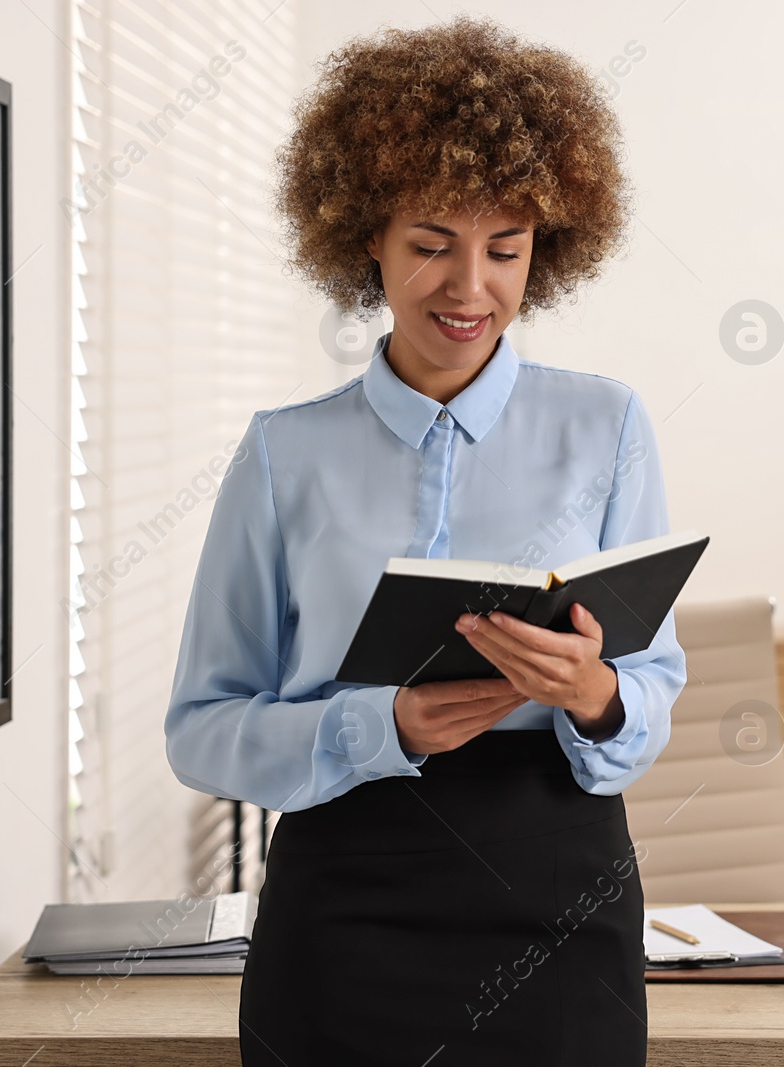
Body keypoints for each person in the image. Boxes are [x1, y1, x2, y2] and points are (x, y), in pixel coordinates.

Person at [163, 15, 686, 1067]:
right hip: (344, 905)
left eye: (506, 248)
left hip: (559, 900)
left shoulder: (607, 426)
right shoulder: (282, 454)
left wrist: (593, 692)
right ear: (365, 235)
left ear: (549, 246)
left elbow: (652, 690)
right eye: (431, 244)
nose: (469, 288)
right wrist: (381, 724)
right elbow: (203, 729)